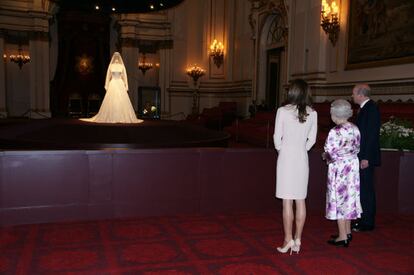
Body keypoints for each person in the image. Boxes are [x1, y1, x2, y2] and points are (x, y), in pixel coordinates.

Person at [273, 79, 318, 254]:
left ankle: (287, 239)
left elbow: (277, 138)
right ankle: (298, 240)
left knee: (287, 202)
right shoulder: (312, 113)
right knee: (300, 200)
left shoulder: (282, 111)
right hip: (301, 157)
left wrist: (283, 150)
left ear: (291, 92)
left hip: (286, 158)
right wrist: (301, 149)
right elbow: (312, 140)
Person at [323, 99, 362, 247]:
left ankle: (342, 237)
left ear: (334, 115)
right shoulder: (355, 128)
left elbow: (329, 153)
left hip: (339, 169)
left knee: (340, 199)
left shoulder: (335, 131)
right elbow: (357, 148)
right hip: (352, 167)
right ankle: (347, 231)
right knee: (349, 198)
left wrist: (325, 156)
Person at [81, 52, 143, 123]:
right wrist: (107, 85)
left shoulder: (122, 66)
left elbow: (124, 76)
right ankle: (110, 116)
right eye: (115, 56)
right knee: (112, 100)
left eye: (118, 56)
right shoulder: (111, 66)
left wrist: (126, 85)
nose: (116, 58)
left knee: (121, 100)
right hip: (113, 83)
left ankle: (122, 116)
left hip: (120, 83)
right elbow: (108, 76)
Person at [351, 84, 381, 232]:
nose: (352, 96)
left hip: (365, 157)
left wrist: (366, 158)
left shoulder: (372, 108)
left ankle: (368, 222)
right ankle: (362, 219)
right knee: (362, 189)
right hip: (362, 155)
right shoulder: (365, 108)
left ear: (361, 94)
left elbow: (372, 136)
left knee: (366, 190)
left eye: (354, 93)